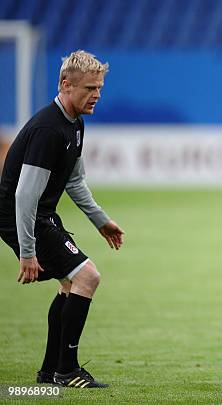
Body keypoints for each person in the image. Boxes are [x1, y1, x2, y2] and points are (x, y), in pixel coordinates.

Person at [0, 50, 124, 388]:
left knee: (71, 284)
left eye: (99, 88)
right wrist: (28, 252)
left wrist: (101, 220)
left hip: (41, 215)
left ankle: (49, 373)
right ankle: (67, 370)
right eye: (89, 88)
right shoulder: (48, 130)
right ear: (65, 85)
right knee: (88, 277)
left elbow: (74, 181)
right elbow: (23, 195)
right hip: (23, 216)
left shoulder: (75, 124)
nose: (96, 95)